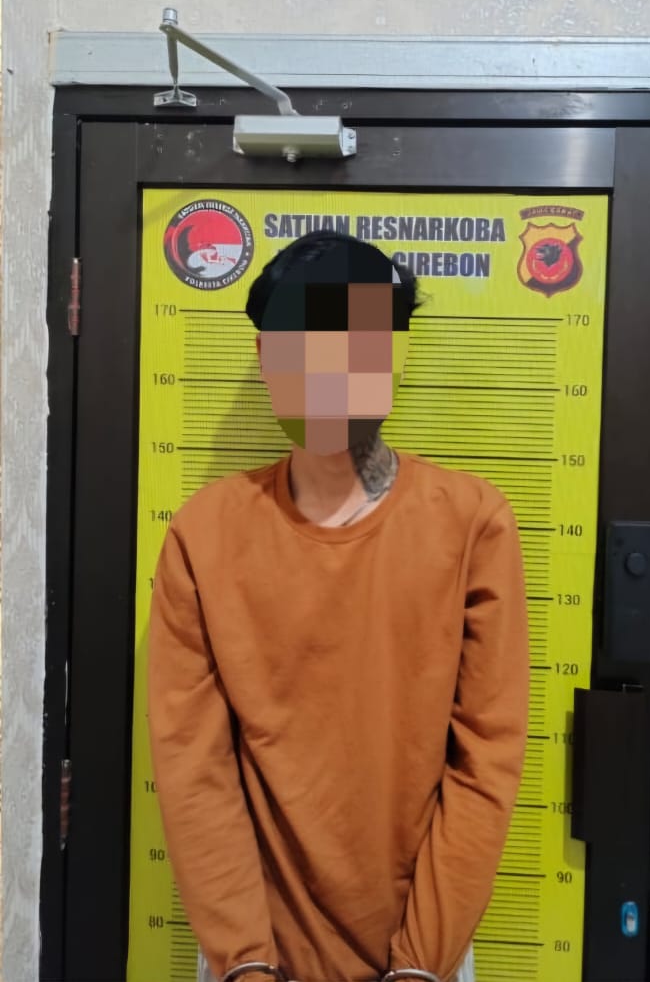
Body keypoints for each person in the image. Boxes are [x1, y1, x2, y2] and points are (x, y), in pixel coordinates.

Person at [147, 231, 530, 982]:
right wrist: (246, 962)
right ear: (266, 359)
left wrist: (420, 965)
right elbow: (194, 767)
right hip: (248, 956)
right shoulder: (203, 534)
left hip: (426, 953)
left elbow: (486, 757)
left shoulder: (473, 523)